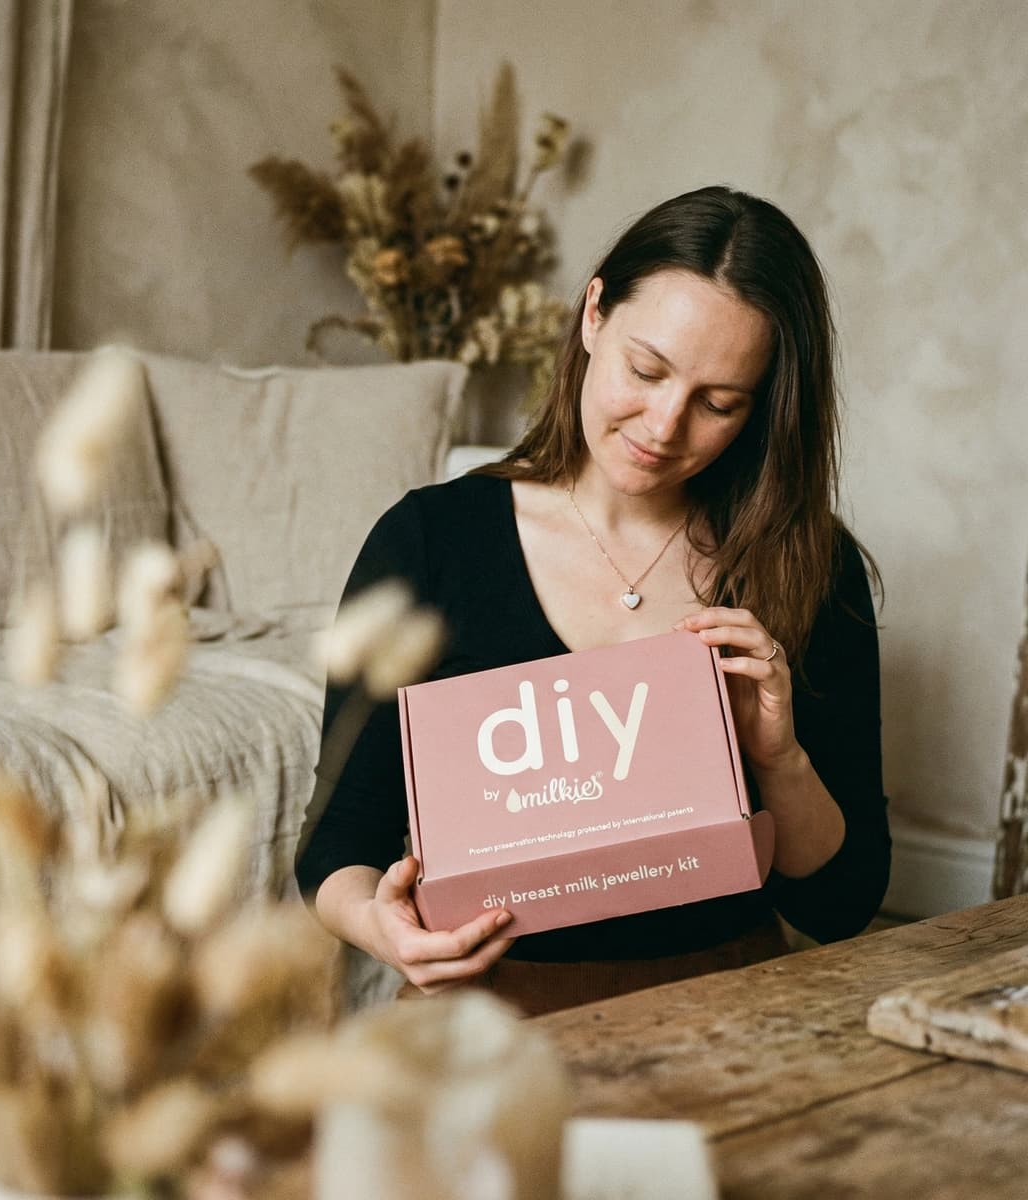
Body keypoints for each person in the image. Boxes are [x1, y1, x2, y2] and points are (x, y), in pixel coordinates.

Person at [295, 185, 891, 1016]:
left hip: (734, 1005)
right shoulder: (432, 542)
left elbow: (842, 904)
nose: (664, 425)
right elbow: (336, 847)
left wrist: (778, 756)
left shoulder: (808, 563)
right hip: (490, 1014)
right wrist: (379, 922)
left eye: (719, 404)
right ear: (592, 315)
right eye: (645, 371)